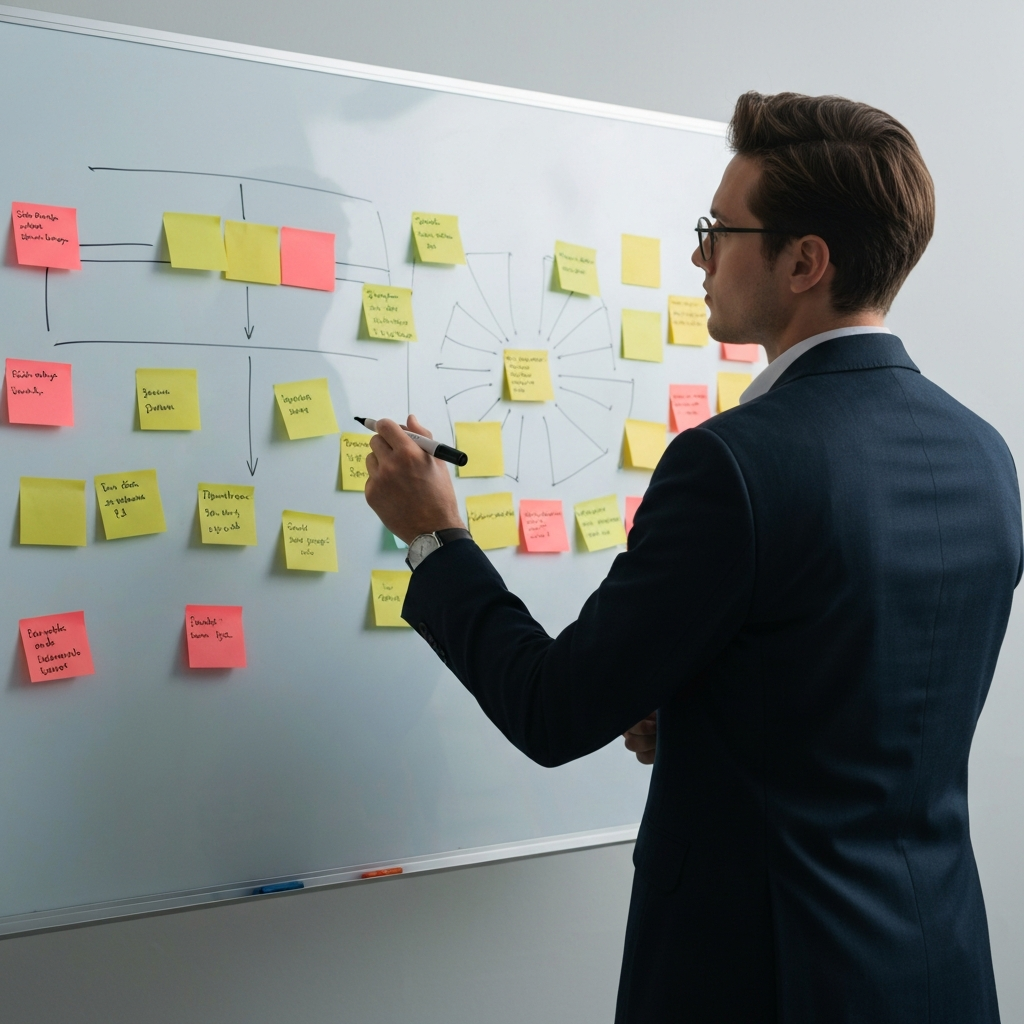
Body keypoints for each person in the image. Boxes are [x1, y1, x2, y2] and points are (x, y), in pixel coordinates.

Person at [363, 91, 1022, 1023]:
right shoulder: (982, 453)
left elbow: (551, 711)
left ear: (805, 262)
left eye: (719, 229)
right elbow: (858, 699)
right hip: (937, 966)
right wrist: (706, 715)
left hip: (760, 982)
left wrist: (434, 537)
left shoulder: (734, 462)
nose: (700, 253)